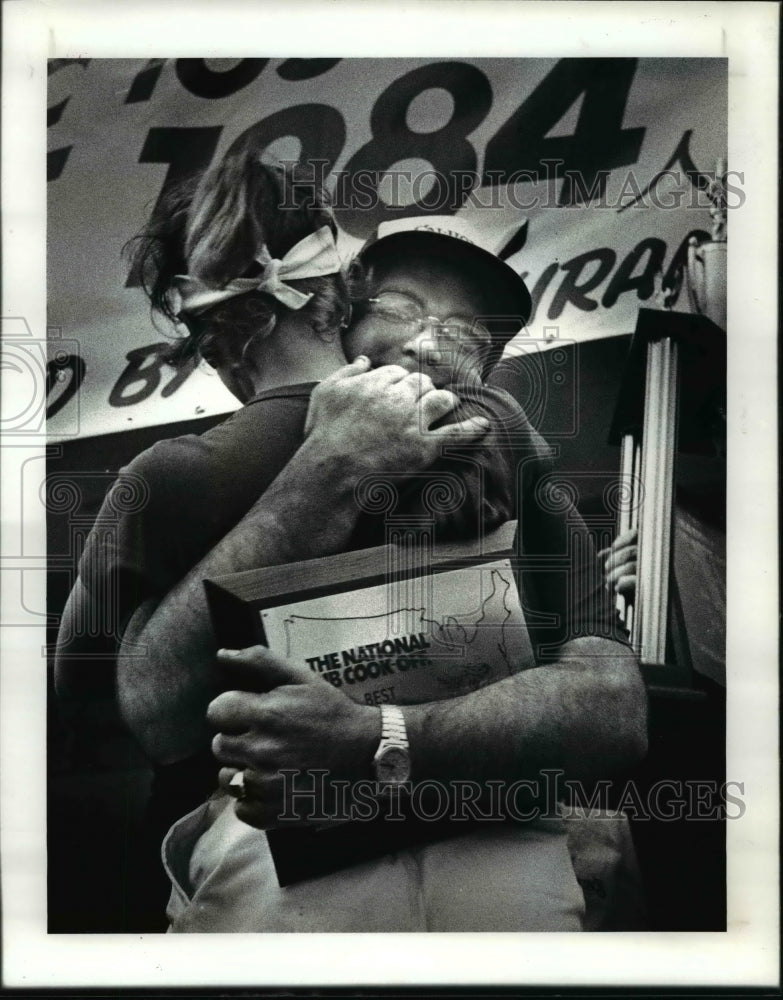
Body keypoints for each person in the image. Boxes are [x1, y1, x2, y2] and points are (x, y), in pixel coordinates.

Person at [56, 147, 646, 931]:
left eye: (467, 336)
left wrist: (380, 737)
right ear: (342, 300)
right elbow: (131, 712)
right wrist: (324, 470)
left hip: (471, 855)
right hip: (305, 867)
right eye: (404, 311)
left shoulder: (504, 446)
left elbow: (612, 711)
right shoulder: (186, 474)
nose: (431, 346)